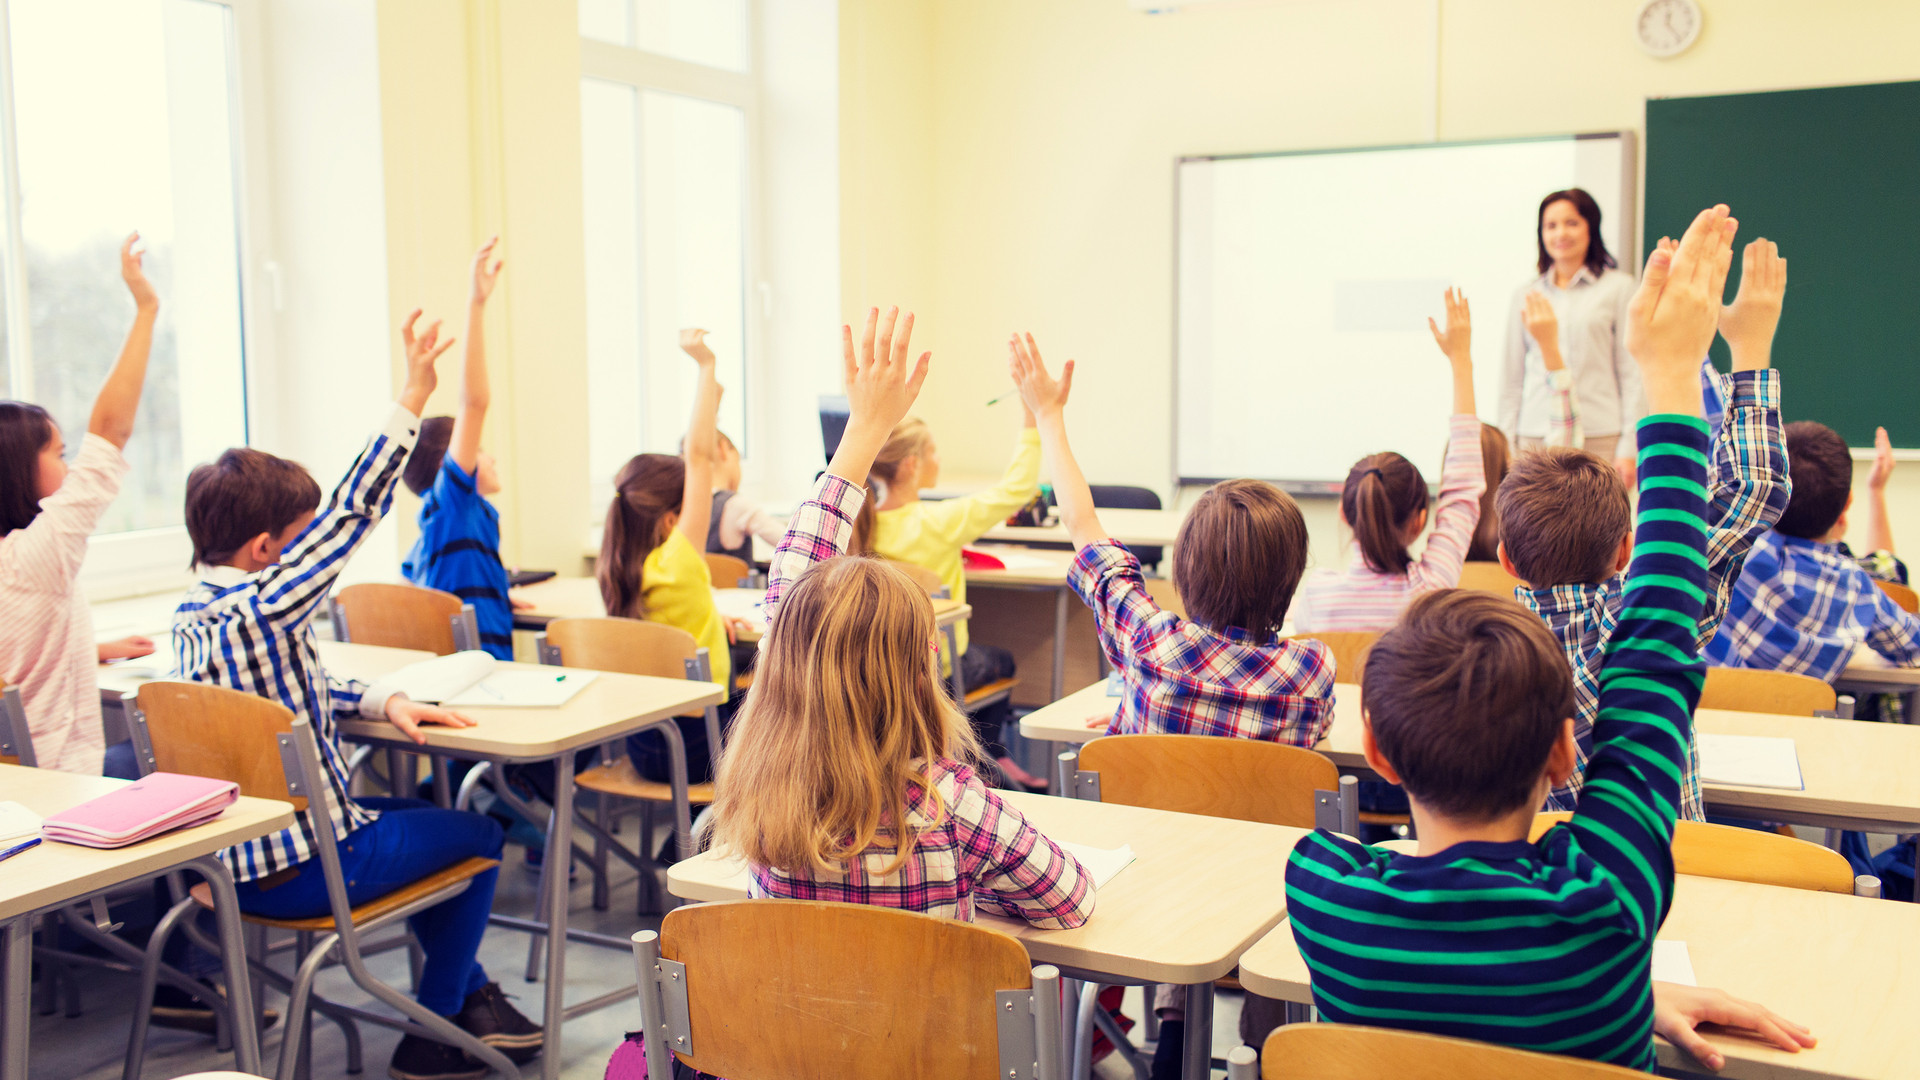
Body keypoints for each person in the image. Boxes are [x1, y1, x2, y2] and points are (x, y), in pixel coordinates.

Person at [1286, 204, 1816, 1072]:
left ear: (1375, 747)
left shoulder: (1323, 893)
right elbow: (1653, 649)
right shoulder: (1609, 906)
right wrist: (1678, 377)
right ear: (1569, 752)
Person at [174, 311, 540, 1080]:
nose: (315, 552)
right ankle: (437, 1028)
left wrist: (379, 700)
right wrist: (412, 393)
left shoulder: (195, 618)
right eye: (300, 541)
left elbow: (283, 689)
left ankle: (462, 996)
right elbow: (352, 512)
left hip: (225, 870)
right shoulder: (265, 604)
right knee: (477, 838)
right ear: (268, 550)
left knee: (424, 819)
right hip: (308, 864)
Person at [1008, 329, 1330, 1077]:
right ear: (1293, 576)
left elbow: (1084, 530)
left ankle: (1165, 1017)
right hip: (1259, 897)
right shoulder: (1311, 672)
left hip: (1144, 889)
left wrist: (1049, 417)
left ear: (1182, 568)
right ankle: (1256, 1040)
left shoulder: (1149, 643)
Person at [712, 303, 1092, 927]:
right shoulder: (951, 807)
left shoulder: (762, 801)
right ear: (919, 671)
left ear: (789, 660)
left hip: (794, 1026)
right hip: (934, 1031)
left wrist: (863, 429)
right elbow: (1070, 902)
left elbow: (793, 584)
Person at [1496, 236, 1791, 821]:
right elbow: (1753, 487)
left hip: (1538, 901)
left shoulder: (1478, 656)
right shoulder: (1647, 620)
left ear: (1505, 557)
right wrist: (1749, 347)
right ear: (1630, 549)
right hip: (1665, 898)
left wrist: (1554, 362)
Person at [0, 234, 157, 775]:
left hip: (17, 786)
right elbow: (111, 432)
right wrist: (146, 309)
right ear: (18, 468)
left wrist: (94, 649)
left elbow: (13, 663)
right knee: (182, 754)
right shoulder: (35, 555)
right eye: (58, 453)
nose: (69, 467)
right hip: (63, 780)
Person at [865, 384, 1048, 790]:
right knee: (1000, 658)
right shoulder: (937, 523)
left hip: (883, 668)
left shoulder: (862, 526)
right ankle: (991, 752)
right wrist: (1031, 417)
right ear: (912, 464)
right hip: (940, 670)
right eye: (933, 452)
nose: (939, 459)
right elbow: (1017, 491)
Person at [597, 329, 752, 784]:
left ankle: (684, 836)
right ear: (670, 521)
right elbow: (700, 458)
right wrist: (706, 367)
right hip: (702, 748)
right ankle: (695, 838)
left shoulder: (619, 570)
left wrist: (709, 623)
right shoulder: (678, 562)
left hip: (645, 745)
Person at [1293, 288, 1484, 634]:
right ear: (1419, 521)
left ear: (1344, 512)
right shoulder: (1428, 593)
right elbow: (1463, 490)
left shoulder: (1316, 596)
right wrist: (1461, 360)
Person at [1708, 421, 1920, 679]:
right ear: (1848, 503)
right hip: (1794, 716)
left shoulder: (1731, 550)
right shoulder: (1856, 587)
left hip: (1705, 710)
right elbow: (1913, 647)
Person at [401, 237, 520, 661]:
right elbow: (475, 402)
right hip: (481, 675)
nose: (489, 457)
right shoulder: (454, 508)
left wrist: (498, 592)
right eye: (480, 450)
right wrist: (476, 303)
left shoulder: (441, 524)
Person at [1498, 188, 1640, 477]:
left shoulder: (1619, 288)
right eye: (1551, 226)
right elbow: (1510, 378)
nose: (1560, 233)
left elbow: (1632, 372)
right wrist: (1506, 443)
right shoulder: (1526, 294)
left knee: (1599, 521)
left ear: (1591, 228)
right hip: (1536, 436)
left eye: (1571, 223)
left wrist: (1629, 446)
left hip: (1599, 435)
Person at [702, 430, 783, 564]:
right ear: (722, 449)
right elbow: (790, 541)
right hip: (735, 585)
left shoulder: (686, 506)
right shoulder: (735, 504)